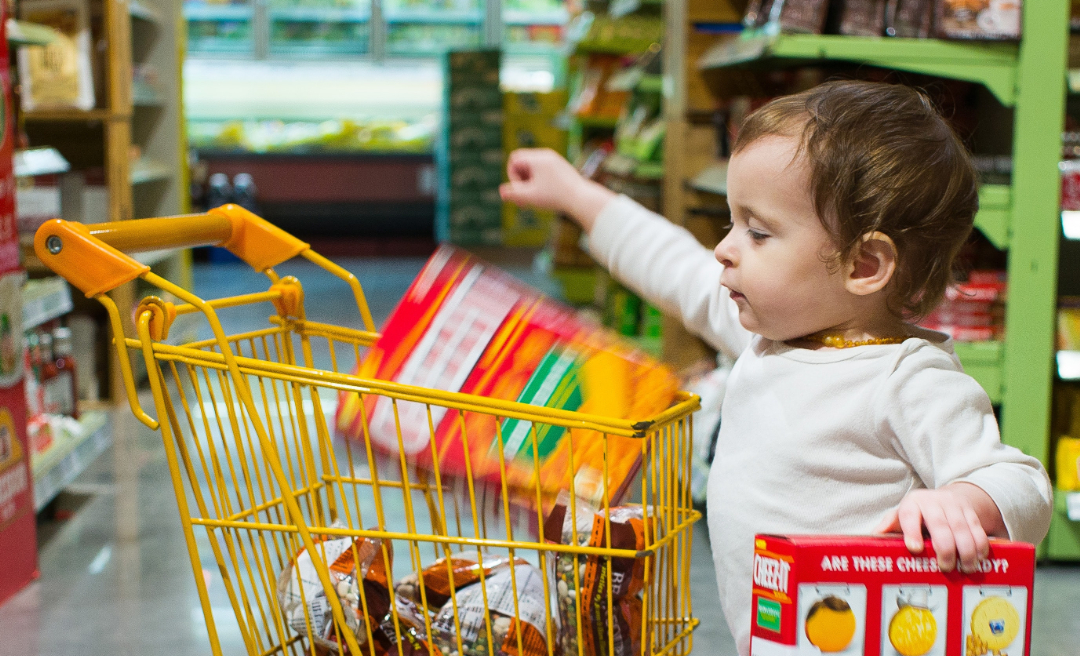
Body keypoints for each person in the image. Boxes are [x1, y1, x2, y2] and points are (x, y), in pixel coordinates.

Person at [499, 80, 1053, 654]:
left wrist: (964, 500)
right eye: (730, 224)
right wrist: (576, 195)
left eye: (758, 232)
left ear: (863, 264)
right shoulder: (767, 335)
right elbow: (674, 267)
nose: (725, 249)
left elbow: (1021, 483)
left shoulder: (910, 379)